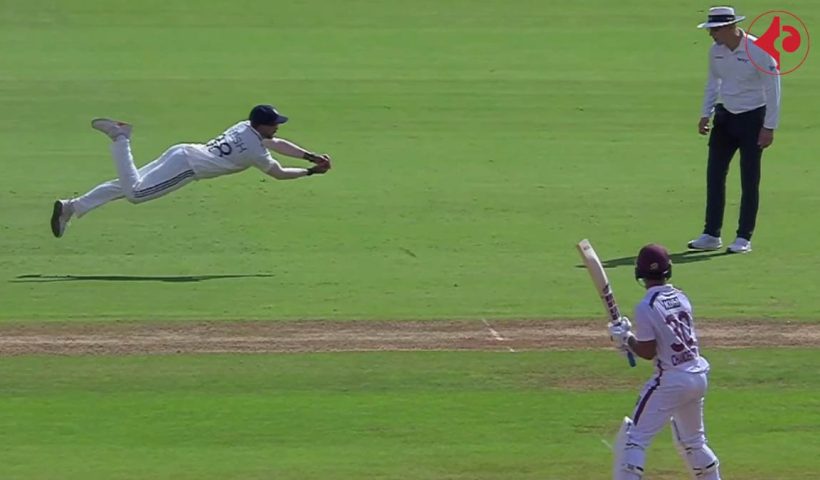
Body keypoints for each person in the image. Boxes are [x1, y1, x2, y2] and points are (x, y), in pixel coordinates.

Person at [50, 104, 332, 238]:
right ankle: (121, 137)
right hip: (188, 167)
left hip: (182, 151)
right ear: (261, 126)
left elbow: (277, 143)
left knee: (124, 185)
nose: (277, 127)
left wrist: (310, 156)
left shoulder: (243, 127)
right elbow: (278, 172)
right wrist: (310, 173)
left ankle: (71, 207)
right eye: (273, 124)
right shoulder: (254, 152)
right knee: (136, 194)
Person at [607, 244, 721, 480]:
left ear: (639, 273)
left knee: (634, 441)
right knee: (694, 443)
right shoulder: (682, 296)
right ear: (668, 270)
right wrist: (628, 340)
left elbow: (648, 351)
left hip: (671, 380)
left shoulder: (645, 306)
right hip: (697, 375)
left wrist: (626, 339)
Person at [688, 6, 781, 254]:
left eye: (715, 29)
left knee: (749, 179)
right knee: (715, 176)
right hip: (725, 116)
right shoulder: (715, 52)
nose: (712, 34)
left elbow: (773, 89)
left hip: (753, 119)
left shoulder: (758, 50)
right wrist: (705, 113)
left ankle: (743, 237)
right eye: (710, 29)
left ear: (731, 27)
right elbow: (713, 82)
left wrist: (769, 127)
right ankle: (711, 233)